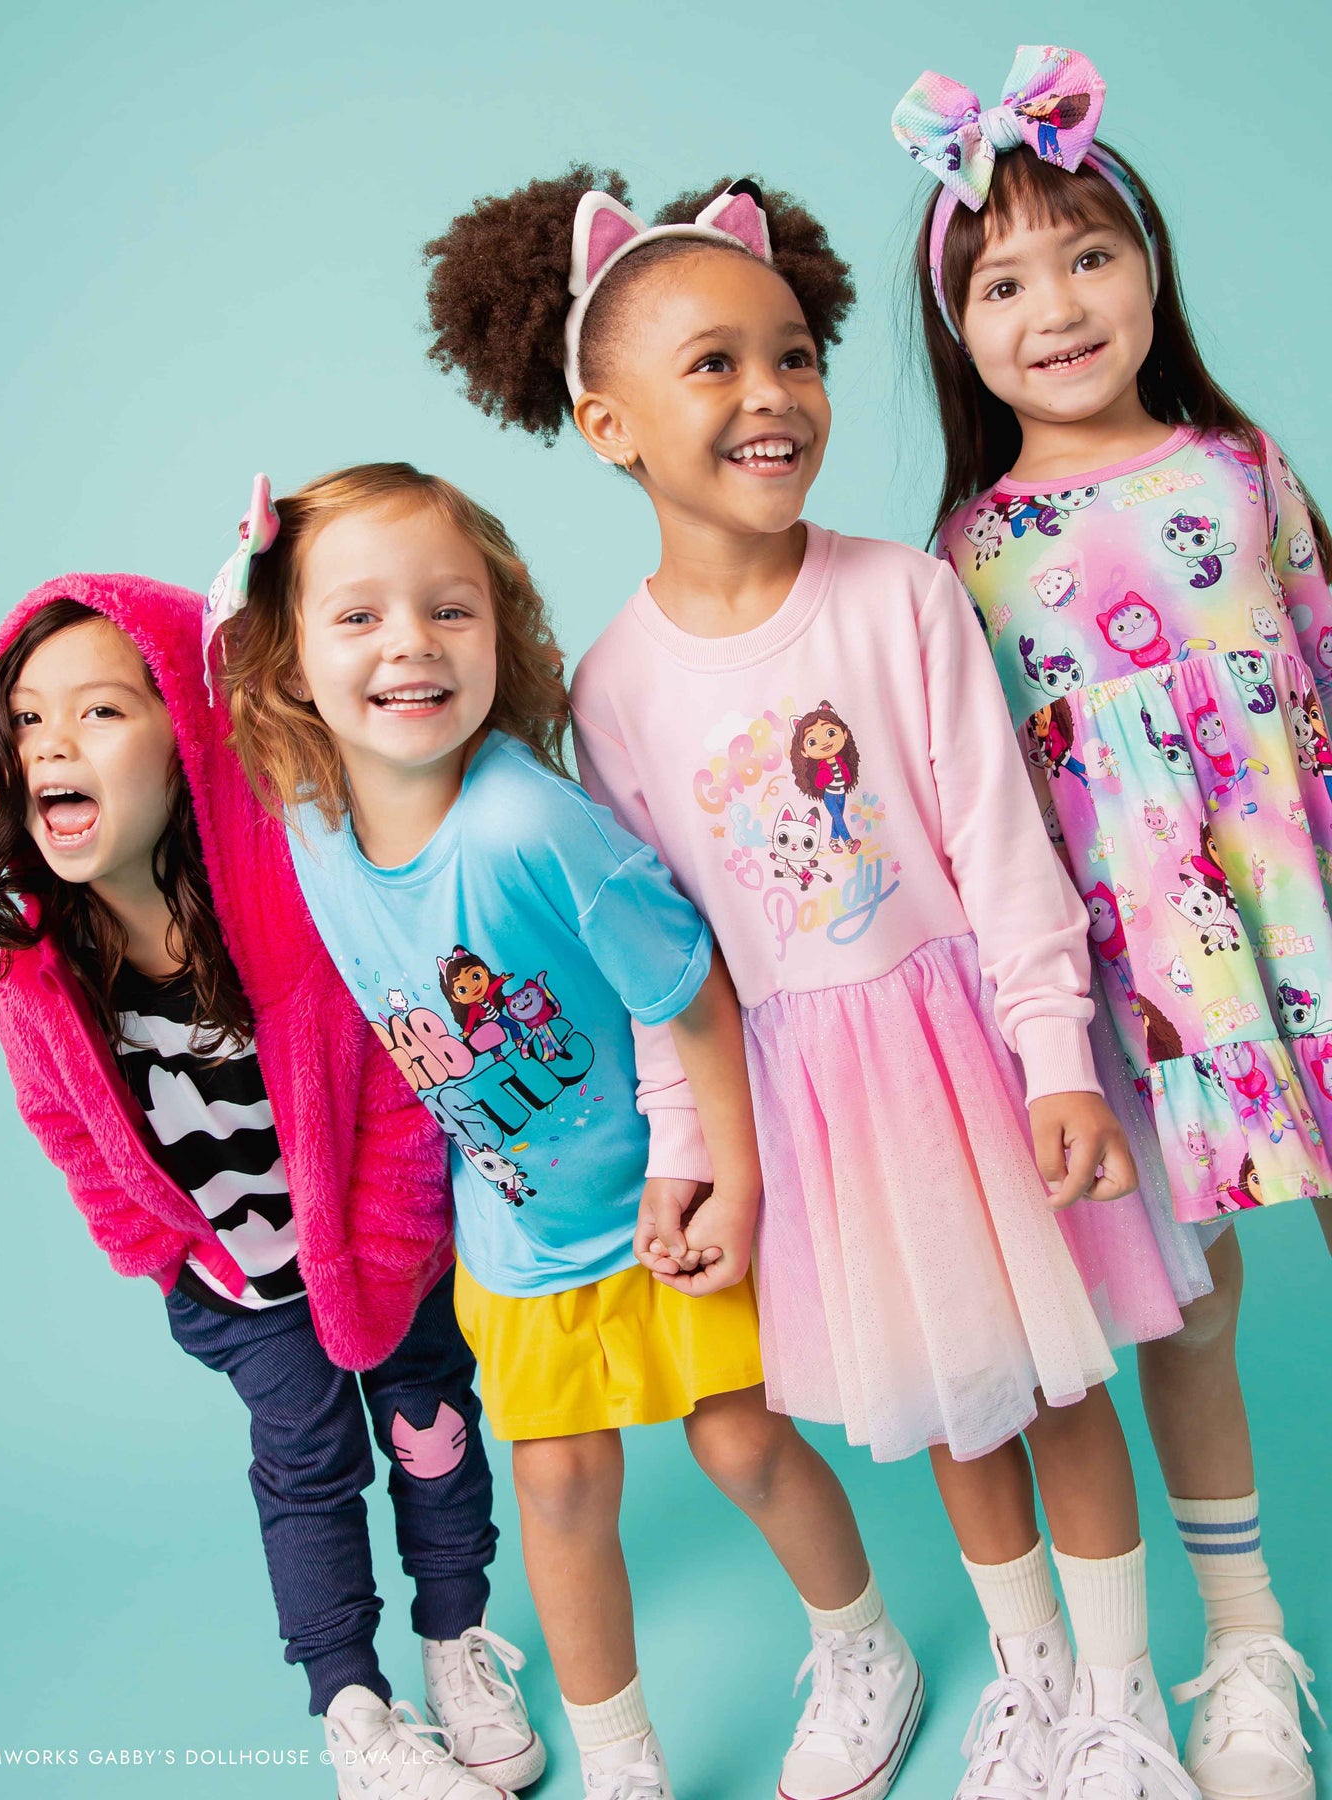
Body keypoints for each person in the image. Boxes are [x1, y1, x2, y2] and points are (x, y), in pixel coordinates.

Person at [424, 165, 1207, 1799]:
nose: (772, 391)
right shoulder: (614, 691)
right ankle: (1031, 1681)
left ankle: (1122, 1698)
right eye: (714, 363)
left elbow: (1002, 848)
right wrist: (693, 1155)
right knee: (957, 1401)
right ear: (609, 425)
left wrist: (1058, 1055)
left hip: (970, 1054)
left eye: (794, 354)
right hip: (819, 1103)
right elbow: (667, 975)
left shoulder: (903, 597)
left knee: (1060, 1383)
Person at [214, 461, 921, 1800]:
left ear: (503, 630)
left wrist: (725, 1183)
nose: (412, 644)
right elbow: (208, 680)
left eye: (450, 609)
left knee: (743, 1444)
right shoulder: (306, 821)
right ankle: (620, 1765)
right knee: (558, 1489)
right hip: (518, 1235)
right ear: (291, 661)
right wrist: (242, 580)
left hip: (665, 1199)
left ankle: (865, 1651)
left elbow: (690, 994)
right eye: (357, 617)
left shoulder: (529, 824)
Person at [898, 42, 1326, 1799]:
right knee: (1195, 1316)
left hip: (1306, 934)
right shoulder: (963, 554)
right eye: (1002, 282)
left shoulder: (1242, 468)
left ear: (1151, 271)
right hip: (1144, 995)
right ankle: (1246, 1646)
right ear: (959, 332)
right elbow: (988, 817)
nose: (1056, 306)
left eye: (1087, 255)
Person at [0, 571, 541, 1799]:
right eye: (29, 719)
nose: (53, 743)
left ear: (186, 735)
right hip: (240, 1282)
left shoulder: (291, 900)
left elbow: (394, 1076)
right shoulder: (42, 980)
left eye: (101, 712)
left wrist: (392, 1247)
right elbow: (65, 1128)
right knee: (306, 1464)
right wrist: (159, 1252)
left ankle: (456, 1641)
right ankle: (352, 1709)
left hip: (383, 1254)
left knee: (430, 1428)